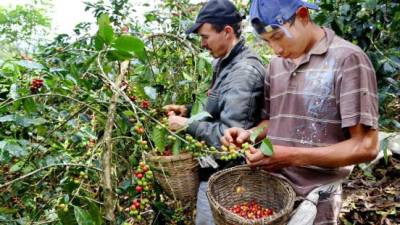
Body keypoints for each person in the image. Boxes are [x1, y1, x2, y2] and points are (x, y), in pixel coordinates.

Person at [221, 0, 379, 224]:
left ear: (303, 15)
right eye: (267, 42)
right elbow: (273, 121)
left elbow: (366, 146)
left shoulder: (348, 60)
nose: (275, 49)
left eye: (278, 36)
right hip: (271, 196)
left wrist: (290, 157)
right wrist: (252, 134)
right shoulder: (275, 66)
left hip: (315, 202)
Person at [164, 0, 266, 224]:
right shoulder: (225, 62)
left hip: (228, 179)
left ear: (227, 32)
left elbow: (229, 137)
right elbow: (218, 107)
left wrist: (186, 124)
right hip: (214, 172)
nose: (202, 44)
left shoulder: (243, 72)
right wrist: (187, 110)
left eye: (205, 37)